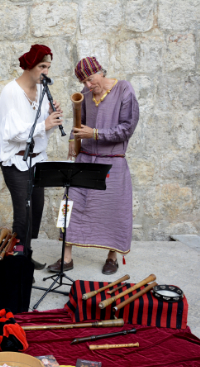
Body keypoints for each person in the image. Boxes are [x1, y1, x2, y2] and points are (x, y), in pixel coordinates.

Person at [47, 57, 139, 275]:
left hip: (113, 162)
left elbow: (127, 128)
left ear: (100, 72)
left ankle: (112, 256)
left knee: (113, 210)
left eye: (90, 79)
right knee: (69, 205)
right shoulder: (86, 94)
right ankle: (66, 257)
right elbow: (80, 125)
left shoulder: (124, 89)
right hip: (85, 159)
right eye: (84, 82)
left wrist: (95, 133)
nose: (88, 86)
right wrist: (73, 138)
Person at [0, 44, 63, 269]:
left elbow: (41, 132)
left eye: (48, 66)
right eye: (42, 66)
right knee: (22, 214)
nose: (46, 71)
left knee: (36, 209)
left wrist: (52, 120)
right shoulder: (11, 92)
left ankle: (26, 252)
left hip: (37, 160)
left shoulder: (42, 93)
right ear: (29, 66)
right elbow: (12, 133)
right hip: (16, 160)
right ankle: (19, 262)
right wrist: (44, 124)